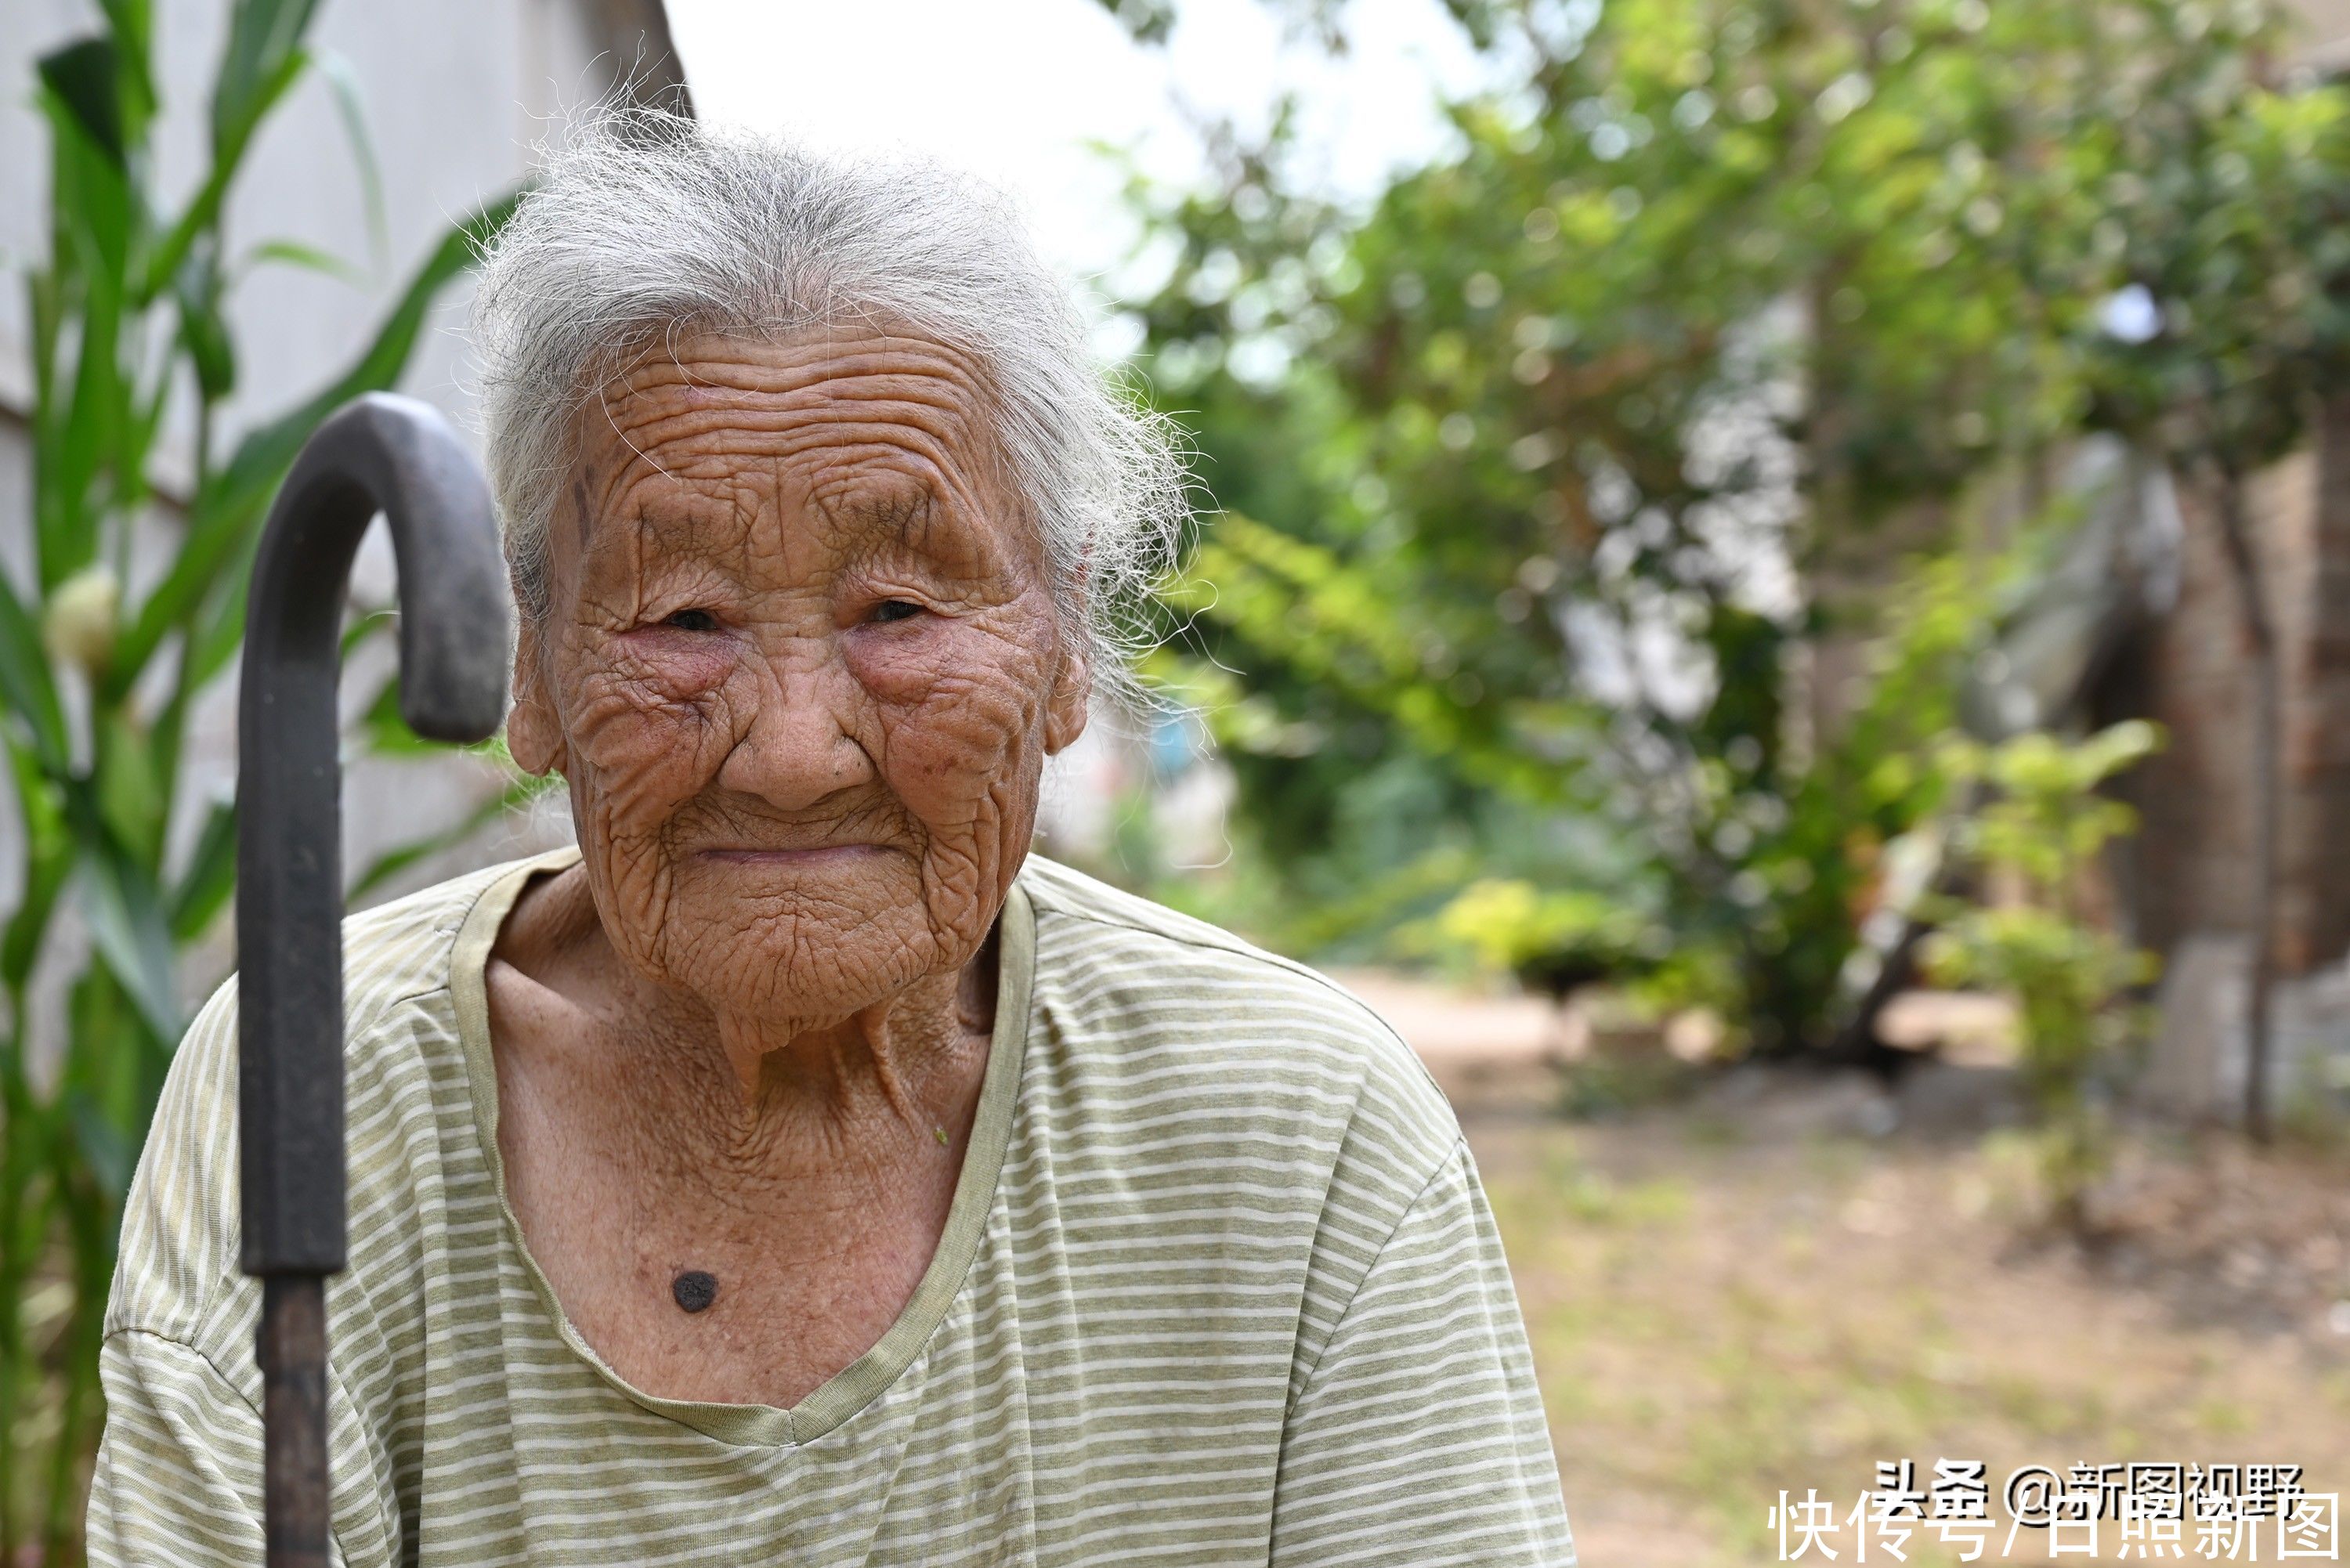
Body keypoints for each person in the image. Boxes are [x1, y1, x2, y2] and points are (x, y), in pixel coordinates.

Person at [88, 112, 1574, 1566]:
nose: (793, 754)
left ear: (1063, 649)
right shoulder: (318, 1085)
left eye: (899, 612)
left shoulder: (1299, 1137)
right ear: (533, 671)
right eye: (684, 620)